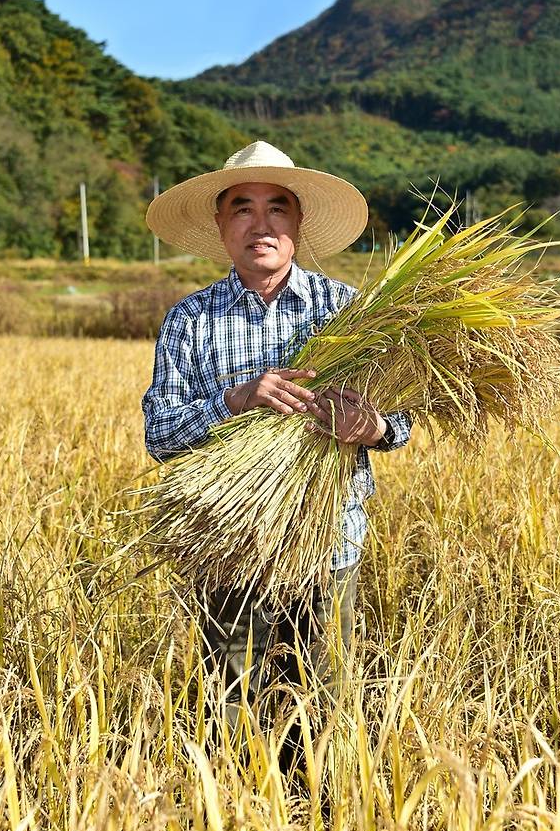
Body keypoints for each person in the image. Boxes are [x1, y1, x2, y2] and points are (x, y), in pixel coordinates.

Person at [142, 140, 412, 721]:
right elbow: (160, 435)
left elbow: (401, 425)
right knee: (233, 704)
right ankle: (234, 811)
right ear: (220, 225)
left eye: (276, 208)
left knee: (326, 701)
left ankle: (322, 811)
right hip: (226, 543)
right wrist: (231, 402)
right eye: (242, 208)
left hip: (328, 539)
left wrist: (372, 426)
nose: (259, 225)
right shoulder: (190, 321)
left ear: (297, 221)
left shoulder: (348, 312)